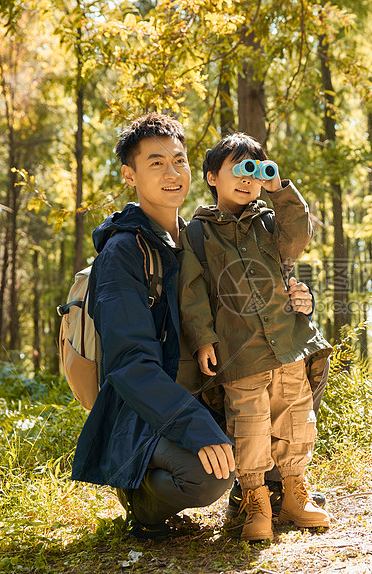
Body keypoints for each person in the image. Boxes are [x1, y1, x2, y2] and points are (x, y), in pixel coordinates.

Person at [69, 113, 315, 540]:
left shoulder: (196, 236)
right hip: (146, 413)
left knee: (294, 371)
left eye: (178, 160)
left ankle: (275, 489)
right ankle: (142, 498)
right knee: (209, 476)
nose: (171, 173)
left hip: (203, 389)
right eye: (156, 163)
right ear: (130, 175)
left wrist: (298, 301)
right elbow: (130, 365)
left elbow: (256, 288)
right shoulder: (125, 253)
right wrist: (197, 429)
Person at [177, 132, 332, 541]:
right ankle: (256, 504)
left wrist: (279, 188)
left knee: (296, 418)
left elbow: (298, 238)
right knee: (250, 427)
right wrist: (203, 339)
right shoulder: (198, 233)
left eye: (256, 170)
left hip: (286, 343)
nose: (249, 179)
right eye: (239, 169)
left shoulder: (269, 223)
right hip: (239, 351)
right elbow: (191, 292)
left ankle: (296, 495)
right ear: (212, 176)